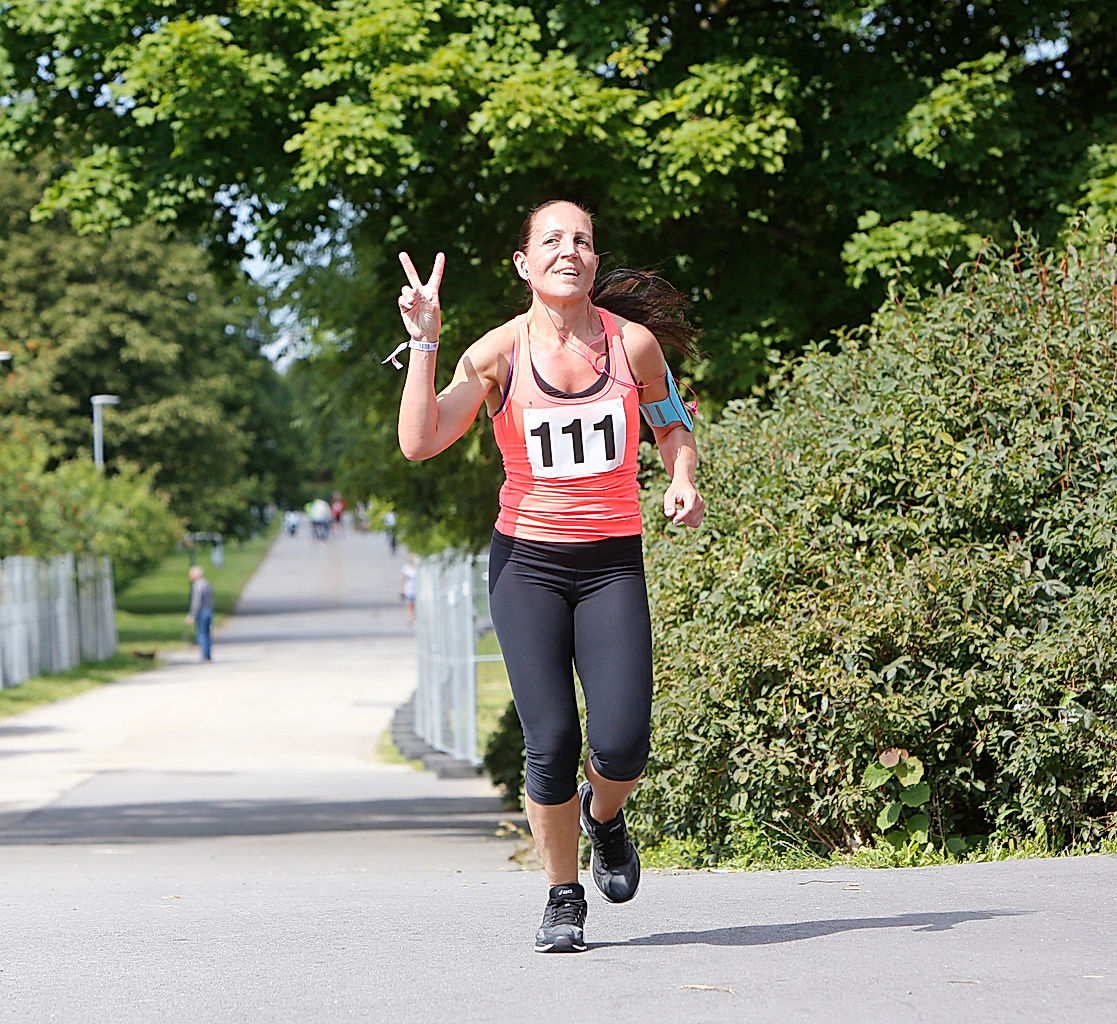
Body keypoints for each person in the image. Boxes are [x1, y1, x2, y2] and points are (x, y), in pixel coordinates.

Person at [393, 199, 705, 953]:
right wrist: (426, 346)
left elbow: (670, 423)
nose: (568, 250)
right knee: (551, 738)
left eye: (583, 241)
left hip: (609, 564)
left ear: (594, 263)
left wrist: (682, 477)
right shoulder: (495, 353)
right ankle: (562, 896)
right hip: (526, 565)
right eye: (552, 240)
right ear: (524, 262)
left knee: (624, 743)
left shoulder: (632, 348)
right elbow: (420, 440)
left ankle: (604, 817)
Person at [184, 564, 215, 661]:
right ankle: (207, 654)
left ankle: (205, 655)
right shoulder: (207, 584)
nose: (190, 577)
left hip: (202, 611)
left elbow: (196, 602)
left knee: (202, 633)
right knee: (207, 633)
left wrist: (192, 615)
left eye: (191, 575)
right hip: (209, 610)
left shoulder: (197, 586)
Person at [400, 556, 417, 627]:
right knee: (410, 605)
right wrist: (402, 589)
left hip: (417, 590)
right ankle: (411, 619)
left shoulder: (418, 567)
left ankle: (415, 619)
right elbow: (403, 579)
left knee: (415, 606)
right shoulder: (406, 568)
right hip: (409, 590)